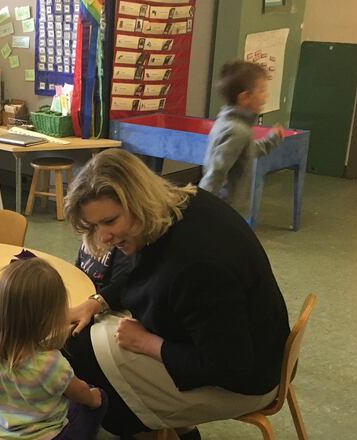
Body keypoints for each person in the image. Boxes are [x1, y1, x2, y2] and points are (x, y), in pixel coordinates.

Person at [63, 149, 290, 439]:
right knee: (86, 340)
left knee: (88, 359)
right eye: (95, 226)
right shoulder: (178, 206)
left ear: (137, 200)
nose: (103, 237)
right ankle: (176, 429)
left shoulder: (198, 265)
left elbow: (228, 367)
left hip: (246, 382)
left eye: (109, 222)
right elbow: (149, 273)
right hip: (235, 347)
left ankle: (154, 427)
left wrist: (148, 344)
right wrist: (98, 302)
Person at [0, 258, 107, 440]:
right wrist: (94, 397)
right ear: (48, 318)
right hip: (47, 436)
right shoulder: (51, 363)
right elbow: (80, 392)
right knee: (98, 396)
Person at [199, 60, 285, 218]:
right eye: (262, 91)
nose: (265, 96)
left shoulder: (233, 125)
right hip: (224, 210)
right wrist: (202, 207)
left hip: (228, 209)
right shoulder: (237, 130)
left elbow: (248, 152)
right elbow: (216, 171)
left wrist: (272, 139)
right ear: (245, 97)